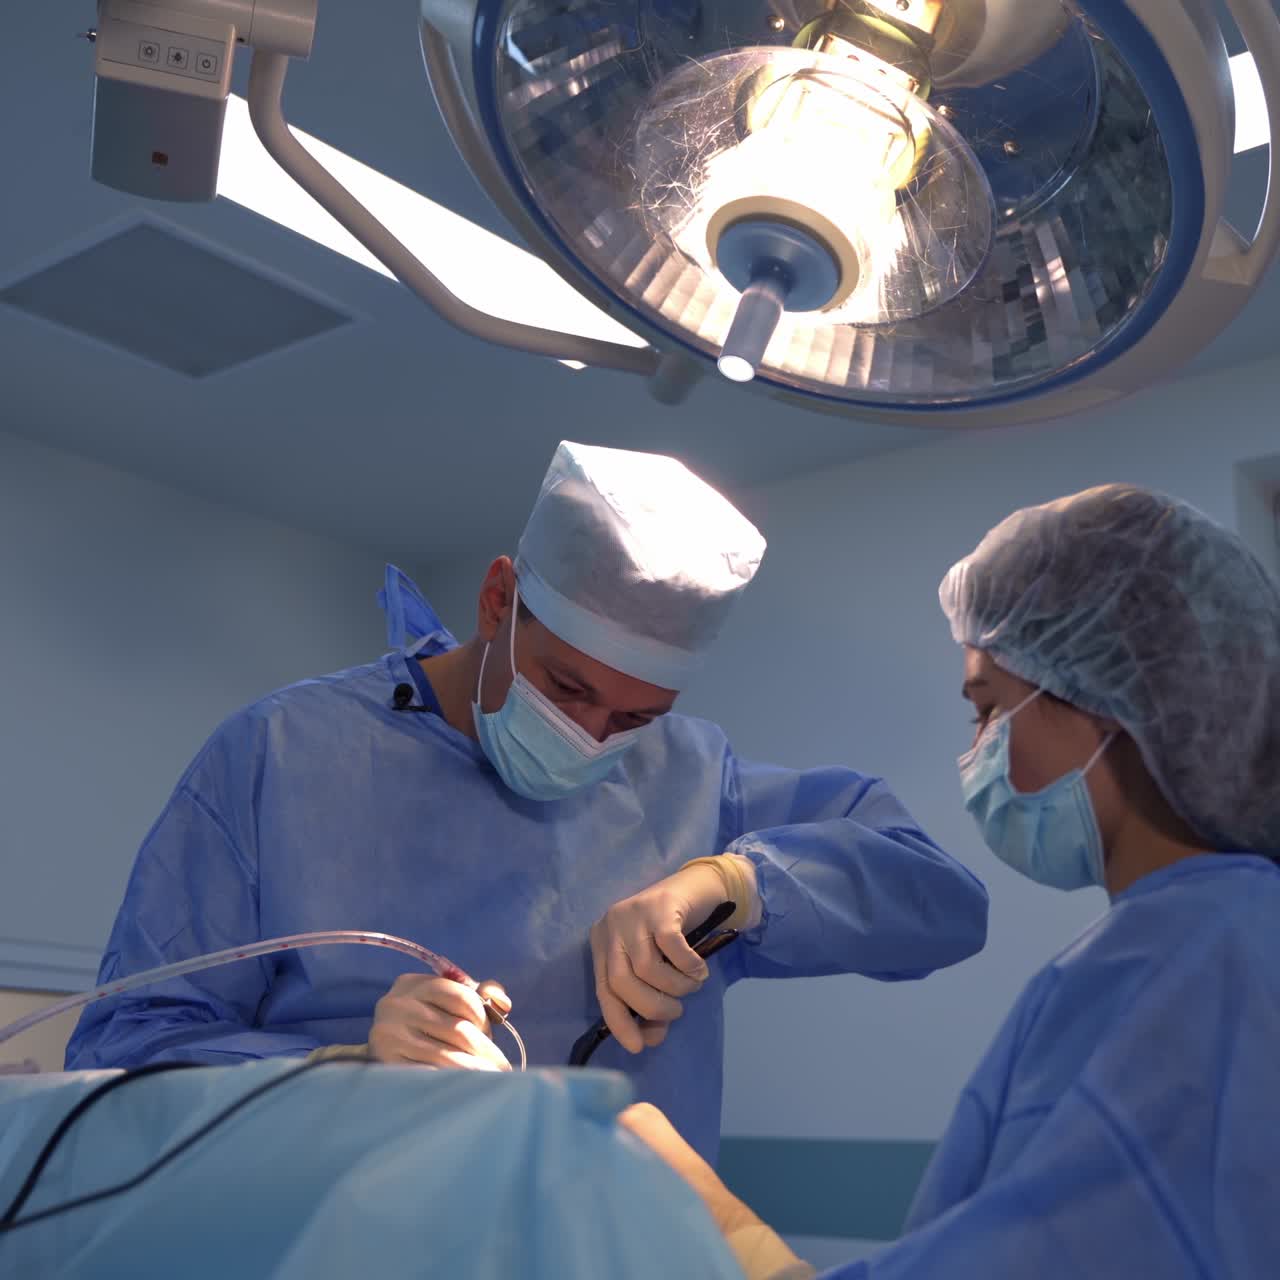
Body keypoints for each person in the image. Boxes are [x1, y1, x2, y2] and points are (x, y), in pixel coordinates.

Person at [64, 440, 988, 1162]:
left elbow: (943, 904)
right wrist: (339, 1070)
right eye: (567, 689)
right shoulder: (282, 754)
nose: (591, 737)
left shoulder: (695, 784)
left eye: (635, 717)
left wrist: (733, 883)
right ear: (498, 600)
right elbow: (121, 1052)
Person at [622, 483, 1280, 1276]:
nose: (977, 752)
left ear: (1109, 699)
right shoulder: (1231, 934)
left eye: (988, 709)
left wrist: (706, 1217)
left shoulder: (1184, 960)